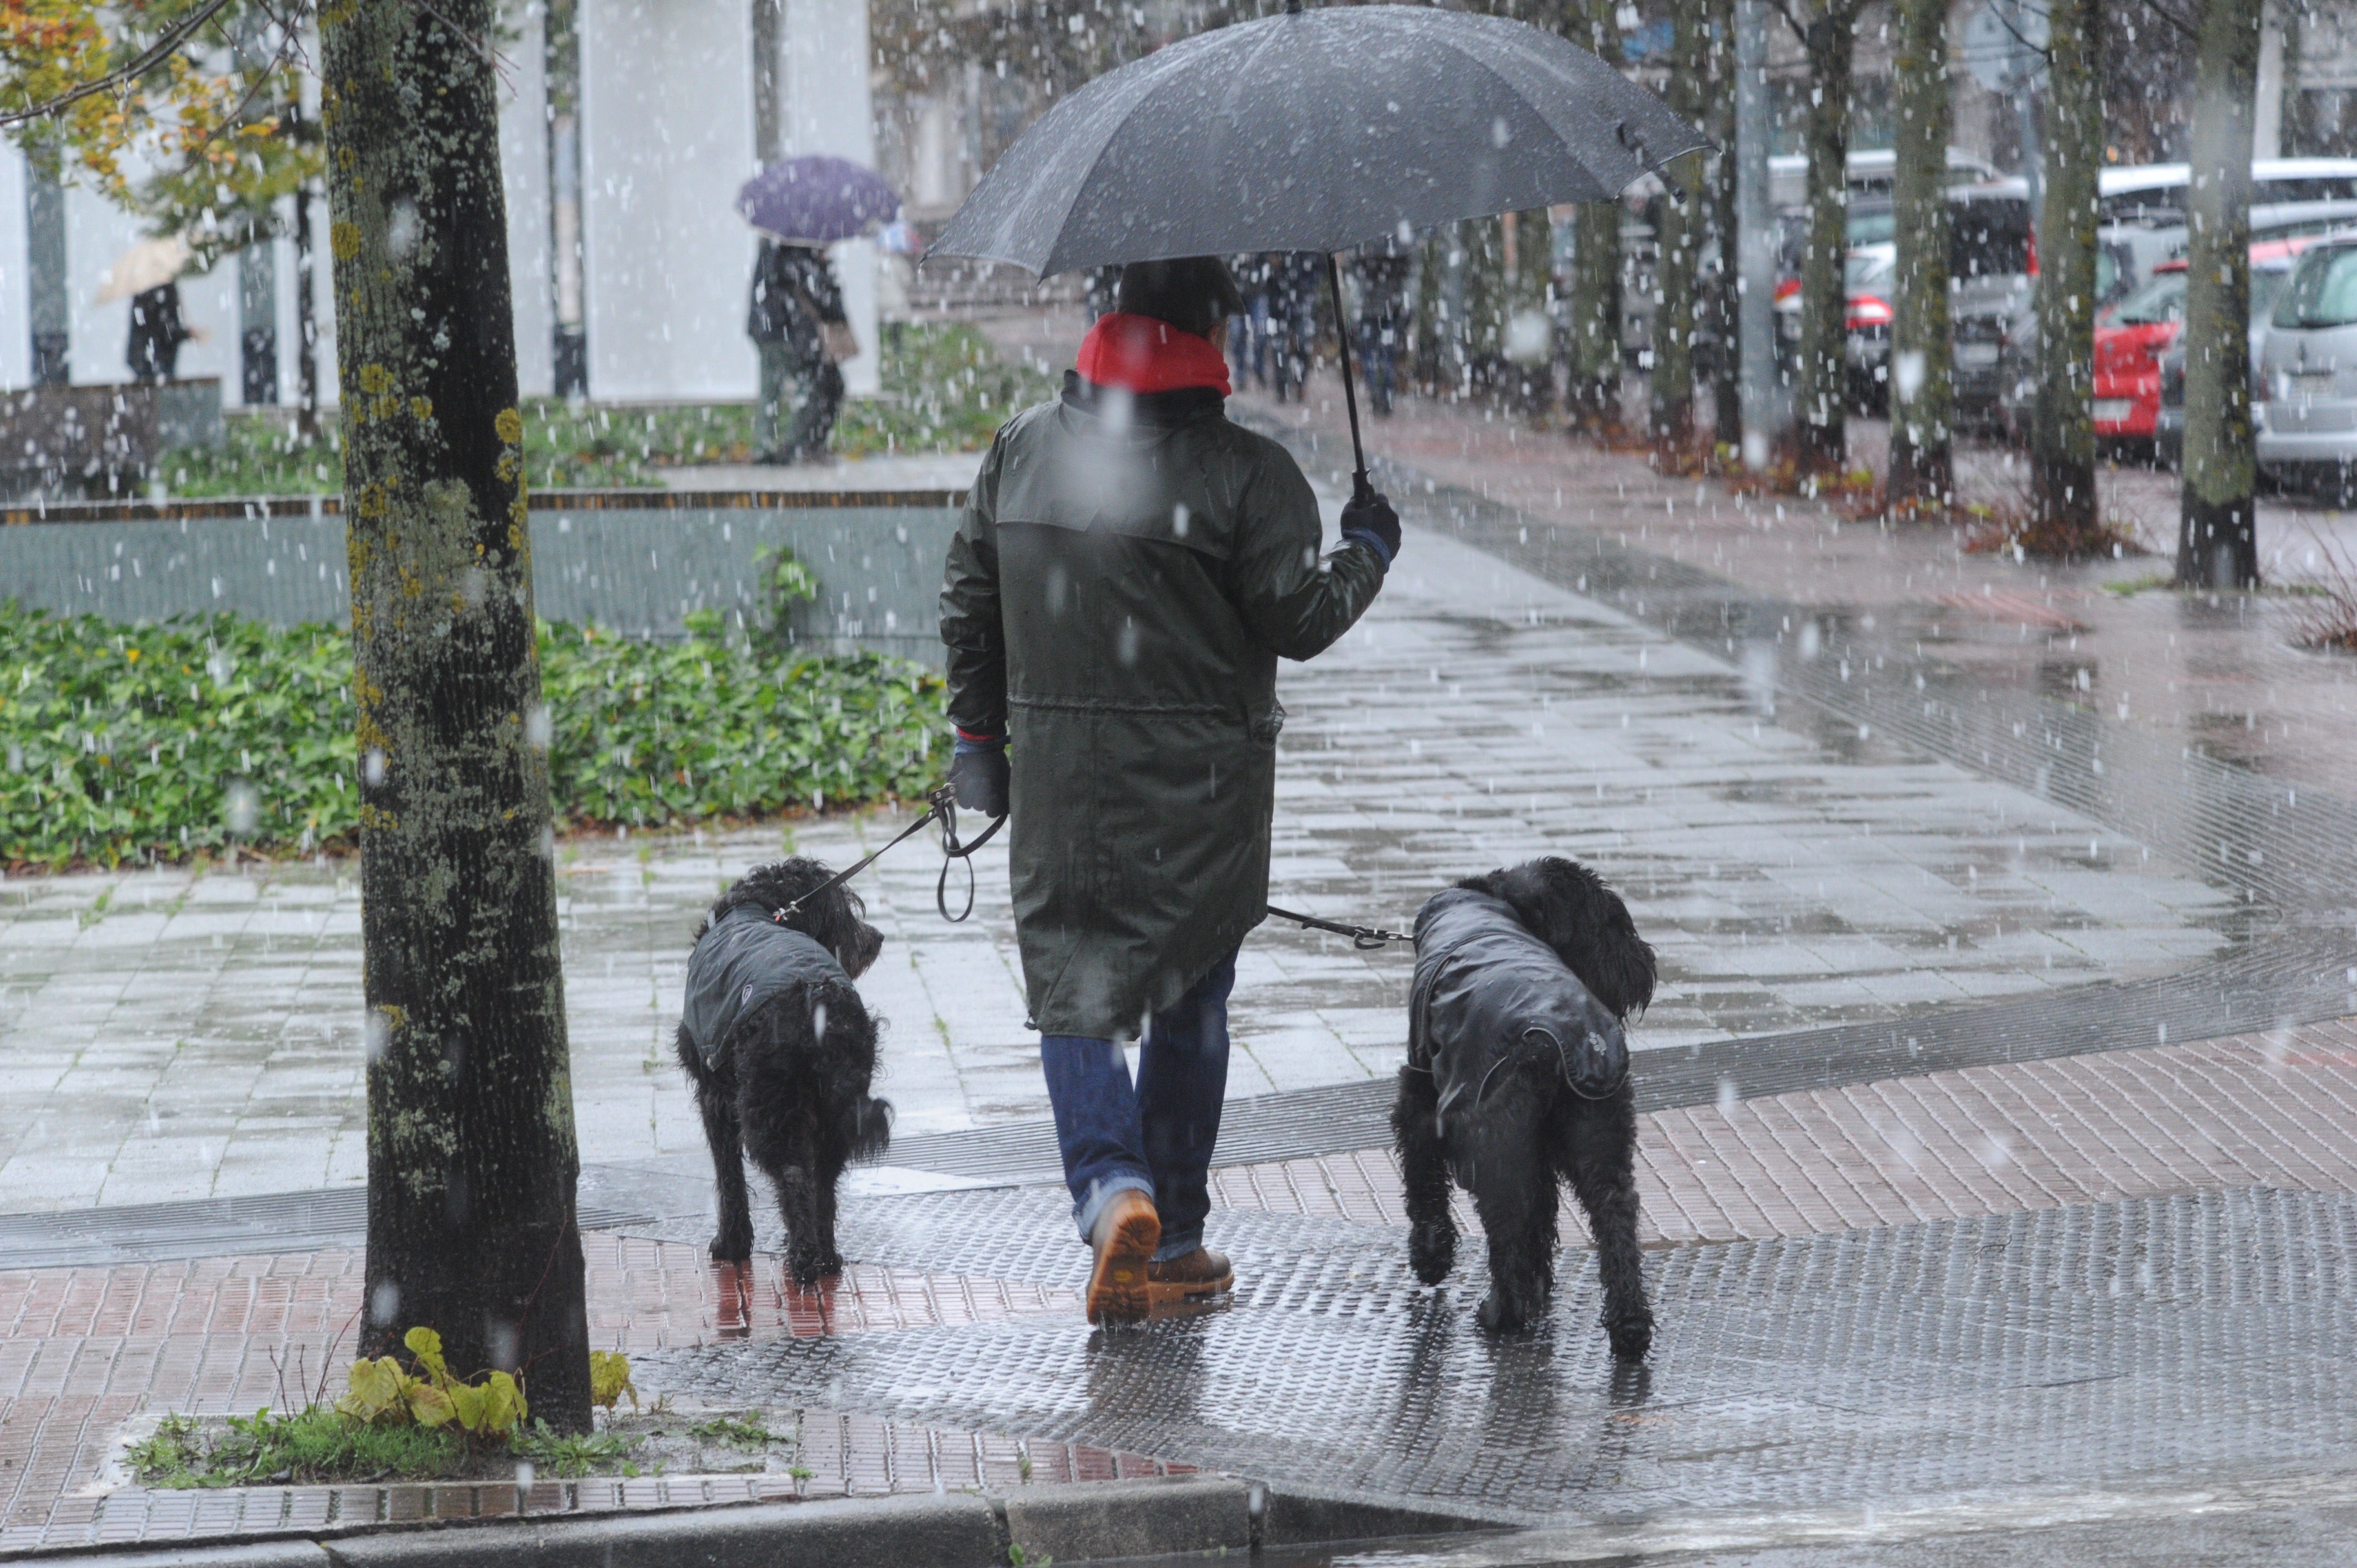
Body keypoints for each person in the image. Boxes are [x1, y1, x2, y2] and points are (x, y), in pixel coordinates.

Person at [939, 256, 1402, 1325]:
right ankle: (1178, 1235)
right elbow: (1301, 621)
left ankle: (1113, 1193)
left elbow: (969, 601)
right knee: (1192, 996)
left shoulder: (1019, 452)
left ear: (1109, 316)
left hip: (1064, 784)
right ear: (1211, 331)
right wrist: (1366, 548)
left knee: (1076, 991)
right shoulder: (1250, 475)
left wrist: (979, 742)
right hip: (1205, 794)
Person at [747, 239, 848, 464]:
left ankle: (766, 448)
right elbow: (823, 300)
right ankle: (792, 446)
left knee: (771, 391)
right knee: (810, 386)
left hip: (769, 330)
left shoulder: (775, 252)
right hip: (784, 333)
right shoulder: (793, 256)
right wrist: (822, 267)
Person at [1351, 243, 1413, 417]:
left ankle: (1378, 396)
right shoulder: (1398, 252)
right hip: (1388, 312)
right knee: (1387, 357)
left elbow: (1358, 281)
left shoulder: (1363, 249)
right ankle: (1385, 397)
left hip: (1372, 312)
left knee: (1372, 358)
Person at [126, 282, 191, 383]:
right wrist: (187, 334)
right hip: (155, 361)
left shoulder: (143, 289)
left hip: (144, 359)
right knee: (158, 388)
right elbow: (165, 330)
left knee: (148, 387)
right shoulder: (164, 290)